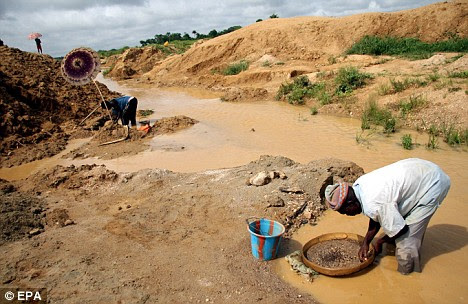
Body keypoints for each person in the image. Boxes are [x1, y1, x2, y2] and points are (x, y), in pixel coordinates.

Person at [325, 158, 450, 274]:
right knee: (393, 223)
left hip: (432, 184)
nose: (347, 215)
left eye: (346, 211)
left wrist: (380, 242)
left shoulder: (374, 203)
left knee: (406, 243)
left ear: (351, 203)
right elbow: (376, 217)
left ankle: (408, 275)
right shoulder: (359, 186)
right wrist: (366, 242)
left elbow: (401, 229)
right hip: (421, 170)